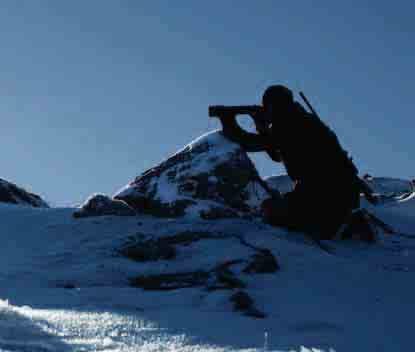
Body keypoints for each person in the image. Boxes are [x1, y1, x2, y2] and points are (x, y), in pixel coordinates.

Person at [219, 85, 360, 240]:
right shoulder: (301, 120)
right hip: (335, 193)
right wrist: (263, 128)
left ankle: (343, 226)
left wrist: (227, 120)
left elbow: (248, 143)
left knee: (272, 212)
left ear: (273, 106)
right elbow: (277, 154)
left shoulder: (290, 124)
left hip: (326, 194)